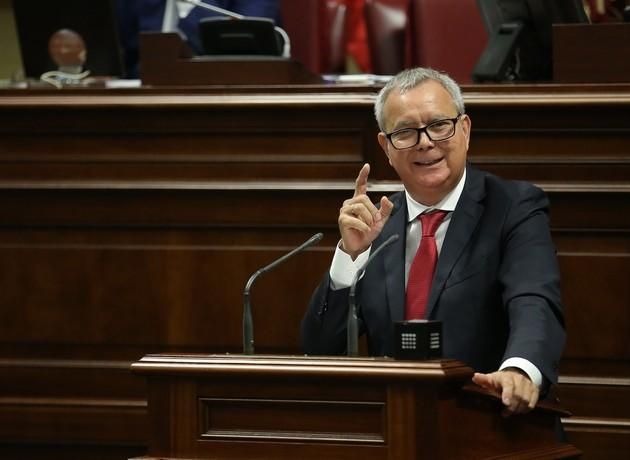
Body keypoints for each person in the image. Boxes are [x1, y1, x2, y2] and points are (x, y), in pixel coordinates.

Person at [301, 67, 565, 416]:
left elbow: (533, 300)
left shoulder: (513, 207)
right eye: (406, 132)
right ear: (386, 147)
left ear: (465, 130)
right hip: (395, 430)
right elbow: (318, 352)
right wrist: (351, 257)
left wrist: (519, 370)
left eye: (440, 125)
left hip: (491, 424)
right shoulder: (377, 226)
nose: (425, 142)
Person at [116, 0, 282, 78]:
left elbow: (247, 53)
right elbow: (125, 53)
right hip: (141, 109)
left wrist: (191, 5)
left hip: (230, 109)